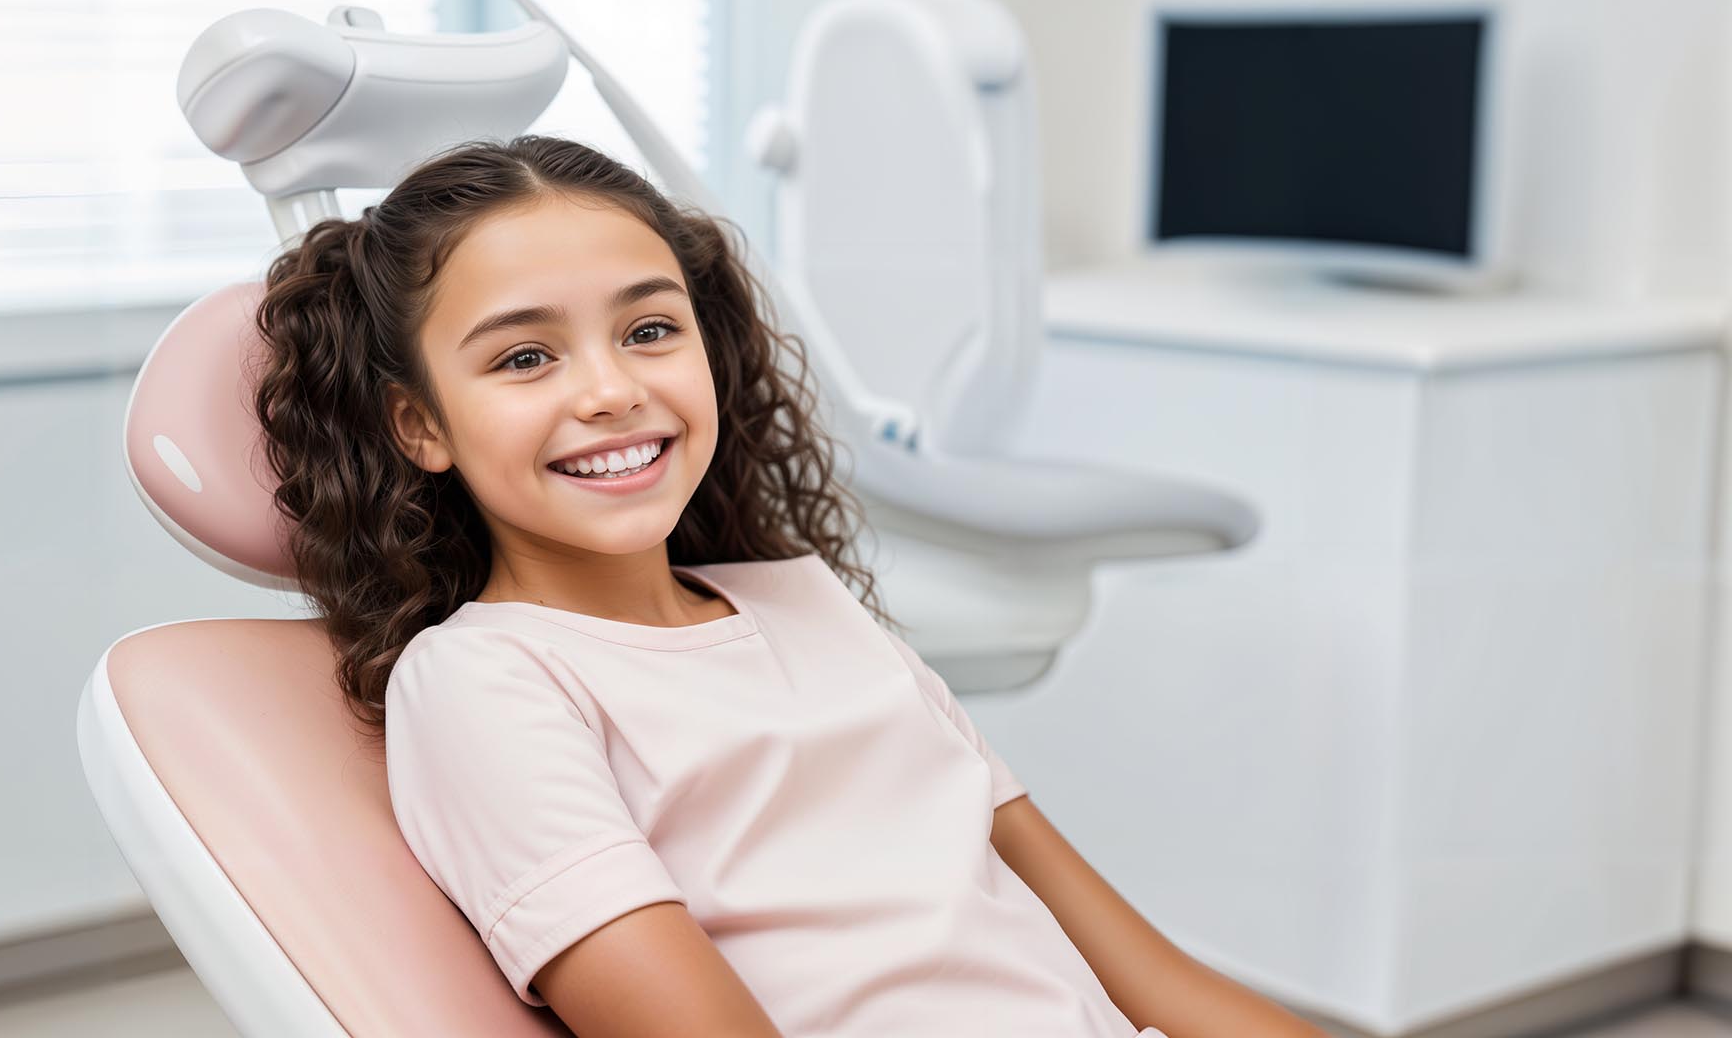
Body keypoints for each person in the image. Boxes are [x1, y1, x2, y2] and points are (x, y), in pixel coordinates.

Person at [250, 134, 1324, 1038]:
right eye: (526, 358)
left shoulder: (808, 606)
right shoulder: (486, 679)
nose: (613, 389)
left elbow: (1149, 974)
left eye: (649, 330)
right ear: (421, 424)